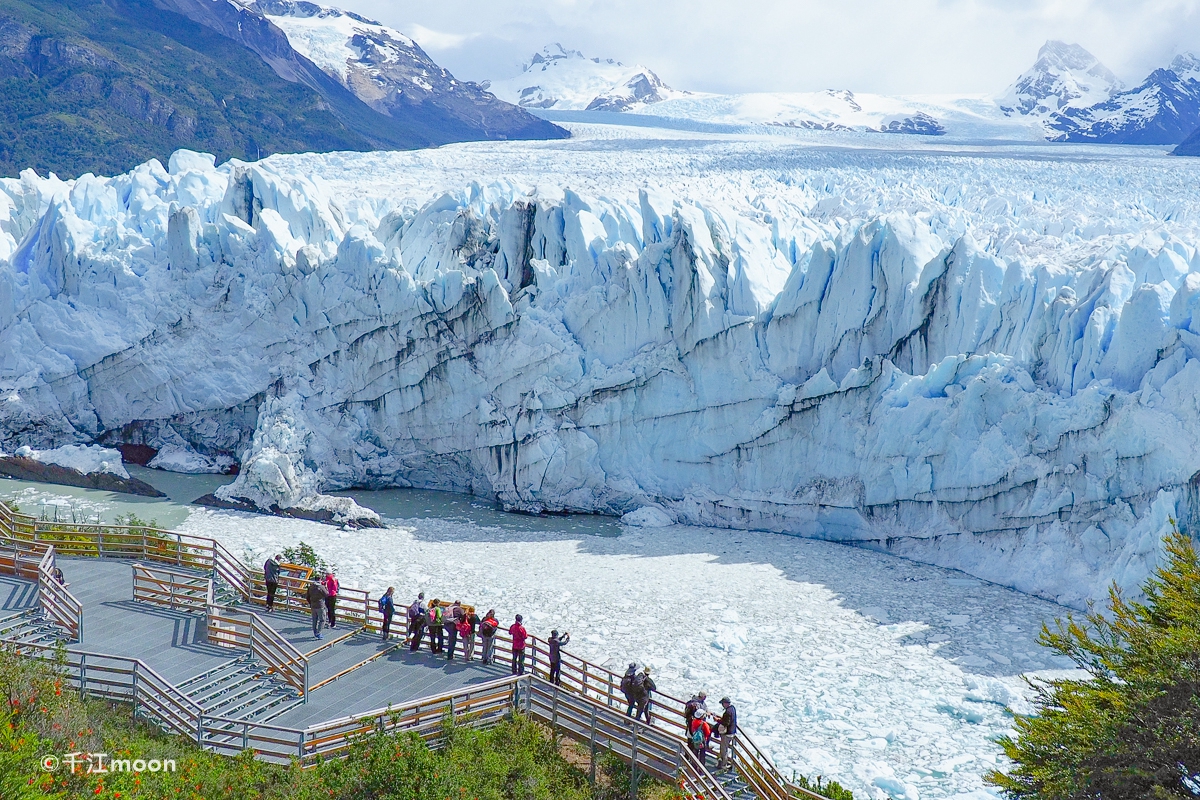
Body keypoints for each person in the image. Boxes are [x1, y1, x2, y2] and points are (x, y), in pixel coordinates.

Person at [715, 697, 738, 770]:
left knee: (723, 749)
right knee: (726, 748)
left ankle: (723, 765)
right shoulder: (733, 708)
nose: (722, 705)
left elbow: (726, 723)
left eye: (722, 703)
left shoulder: (727, 712)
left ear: (725, 703)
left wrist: (718, 720)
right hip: (732, 732)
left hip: (727, 733)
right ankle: (728, 762)